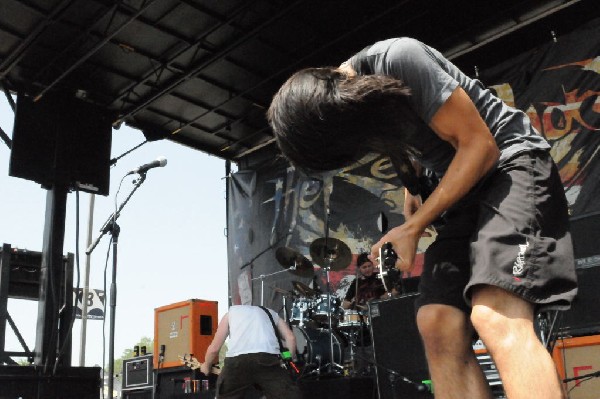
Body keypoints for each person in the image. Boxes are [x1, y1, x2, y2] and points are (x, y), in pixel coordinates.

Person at [267, 37, 577, 399]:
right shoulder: (360, 101)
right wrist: (412, 199)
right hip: (464, 192)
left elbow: (481, 147)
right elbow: (410, 150)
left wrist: (413, 228)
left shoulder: (399, 58)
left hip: (511, 166)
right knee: (437, 323)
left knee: (495, 315)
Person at [201, 305, 302, 399]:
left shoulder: (231, 313)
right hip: (267, 360)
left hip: (236, 362)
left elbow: (214, 349)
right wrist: (288, 358)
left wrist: (206, 365)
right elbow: (291, 338)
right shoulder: (271, 313)